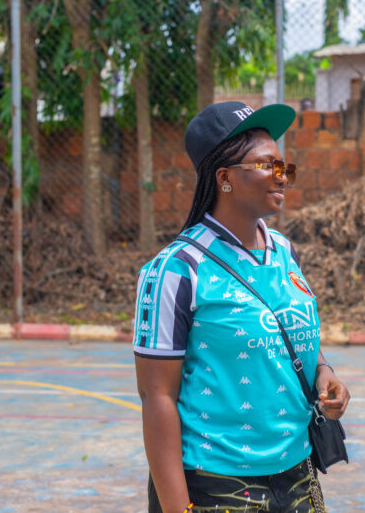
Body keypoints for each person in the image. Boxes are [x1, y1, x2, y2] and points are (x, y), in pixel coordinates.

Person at [133, 101, 350, 513]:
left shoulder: (283, 250)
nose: (282, 175)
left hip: (297, 474)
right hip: (217, 486)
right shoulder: (177, 269)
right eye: (267, 165)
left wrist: (324, 370)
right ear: (225, 178)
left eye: (283, 166)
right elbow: (157, 396)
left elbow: (286, 325)